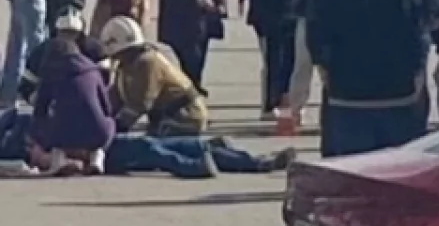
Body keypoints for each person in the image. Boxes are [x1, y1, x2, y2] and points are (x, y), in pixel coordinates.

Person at [96, 16, 295, 177]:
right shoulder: (126, 66)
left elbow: (140, 105)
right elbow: (114, 98)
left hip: (183, 115)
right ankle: (229, 151)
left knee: (168, 151)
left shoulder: (146, 63)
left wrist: (114, 129)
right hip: (168, 117)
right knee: (168, 149)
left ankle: (254, 163)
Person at [308, 0, 426, 158]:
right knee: (395, 172)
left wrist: (327, 74)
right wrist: (415, 78)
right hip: (398, 96)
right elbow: (419, 41)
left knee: (353, 174)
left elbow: (317, 39)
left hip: (348, 97)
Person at [26, 15, 115, 176]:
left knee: (44, 128)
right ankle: (97, 158)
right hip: (98, 133)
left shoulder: (50, 72)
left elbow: (40, 109)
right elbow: (107, 107)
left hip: (62, 134)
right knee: (106, 123)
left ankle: (58, 160)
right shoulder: (93, 70)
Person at [246, 0, 298, 119]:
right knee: (271, 64)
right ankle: (268, 105)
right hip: (268, 23)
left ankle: (282, 100)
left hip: (286, 21)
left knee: (286, 63)